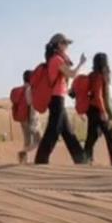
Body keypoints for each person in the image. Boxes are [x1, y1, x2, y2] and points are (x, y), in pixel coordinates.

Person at [34, 33, 87, 165]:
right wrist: (81, 63)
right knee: (52, 132)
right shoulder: (57, 60)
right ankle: (40, 161)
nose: (67, 46)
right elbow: (72, 74)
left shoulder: (56, 59)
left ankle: (81, 160)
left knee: (68, 132)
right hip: (56, 99)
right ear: (58, 45)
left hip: (59, 98)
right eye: (65, 43)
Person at [82, 53, 112, 166]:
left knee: (92, 135)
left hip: (91, 109)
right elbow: (98, 95)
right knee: (110, 135)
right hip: (97, 108)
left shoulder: (92, 74)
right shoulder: (99, 76)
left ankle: (85, 159)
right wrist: (103, 111)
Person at [17, 69, 41, 164]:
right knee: (39, 140)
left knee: (27, 140)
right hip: (31, 118)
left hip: (22, 118)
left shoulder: (20, 89)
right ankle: (23, 153)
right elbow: (31, 103)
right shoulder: (31, 89)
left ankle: (23, 162)